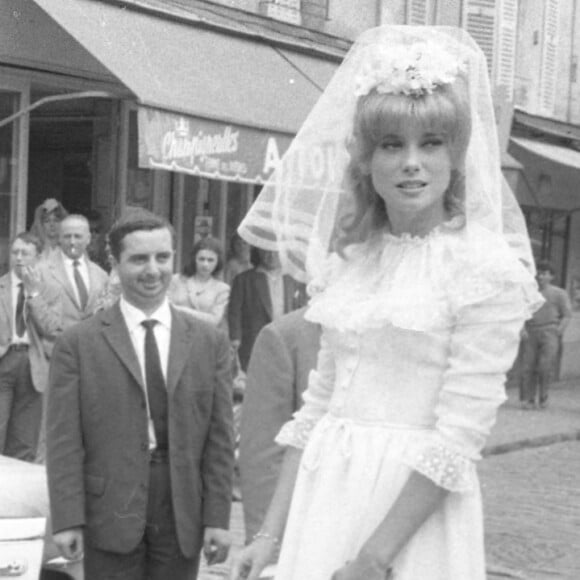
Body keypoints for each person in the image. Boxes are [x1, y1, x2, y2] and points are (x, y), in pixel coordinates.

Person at [230, 26, 543, 580]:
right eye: (391, 145)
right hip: (325, 498)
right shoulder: (351, 261)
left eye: (431, 144)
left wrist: (373, 560)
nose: (411, 163)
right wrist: (269, 537)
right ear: (367, 161)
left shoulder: (484, 270)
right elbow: (316, 410)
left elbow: (459, 438)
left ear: (456, 157)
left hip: (411, 514)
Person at [46, 209, 235, 580]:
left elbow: (219, 439)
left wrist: (218, 517)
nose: (153, 270)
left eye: (162, 257)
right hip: (111, 508)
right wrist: (67, 519)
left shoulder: (208, 341)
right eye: (139, 259)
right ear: (115, 264)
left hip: (181, 509)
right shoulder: (78, 344)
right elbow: (63, 440)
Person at [239, 307, 321, 542]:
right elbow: (264, 454)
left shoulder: (421, 324)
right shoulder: (286, 336)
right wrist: (269, 548)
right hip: (311, 529)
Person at [0, 232, 62, 461]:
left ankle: (15, 493)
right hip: (3, 360)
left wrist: (33, 293)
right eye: (15, 252)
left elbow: (52, 328)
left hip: (33, 363)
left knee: (25, 438)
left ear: (37, 257)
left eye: (25, 253)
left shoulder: (50, 290)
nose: (18, 258)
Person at [228, 248, 307, 372]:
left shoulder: (294, 280)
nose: (271, 255)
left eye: (276, 251)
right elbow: (234, 311)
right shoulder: (244, 279)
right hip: (254, 339)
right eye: (266, 251)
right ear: (258, 252)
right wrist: (235, 339)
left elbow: (301, 309)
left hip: (286, 340)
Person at [40, 214, 108, 329]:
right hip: (57, 344)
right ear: (59, 238)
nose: (72, 242)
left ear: (88, 239)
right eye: (67, 236)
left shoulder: (101, 275)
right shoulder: (42, 271)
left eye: (77, 236)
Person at [520, 260, 571, 409]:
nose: (540, 276)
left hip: (550, 331)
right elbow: (521, 312)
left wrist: (559, 330)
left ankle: (543, 396)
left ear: (551, 276)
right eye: (538, 273)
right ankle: (527, 399)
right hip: (530, 331)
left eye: (544, 273)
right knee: (527, 366)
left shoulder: (559, 293)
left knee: (545, 366)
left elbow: (567, 314)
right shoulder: (529, 292)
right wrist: (522, 328)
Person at [169, 236, 230, 330]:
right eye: (201, 259)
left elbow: (214, 320)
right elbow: (166, 308)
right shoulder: (176, 280)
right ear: (194, 259)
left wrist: (181, 310)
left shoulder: (222, 289)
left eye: (210, 260)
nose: (205, 264)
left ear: (218, 262)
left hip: (203, 337)